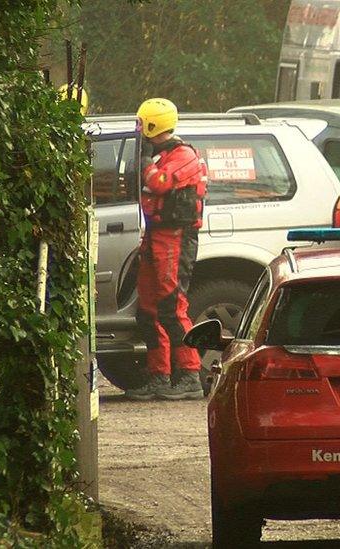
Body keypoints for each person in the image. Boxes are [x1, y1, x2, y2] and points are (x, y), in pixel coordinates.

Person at [125, 98, 207, 401]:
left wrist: (145, 161)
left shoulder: (182, 155)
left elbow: (158, 183)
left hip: (175, 236)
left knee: (172, 306)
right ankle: (159, 376)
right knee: (148, 308)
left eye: (141, 125)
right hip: (155, 234)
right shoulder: (158, 154)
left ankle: (189, 374)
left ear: (150, 124)